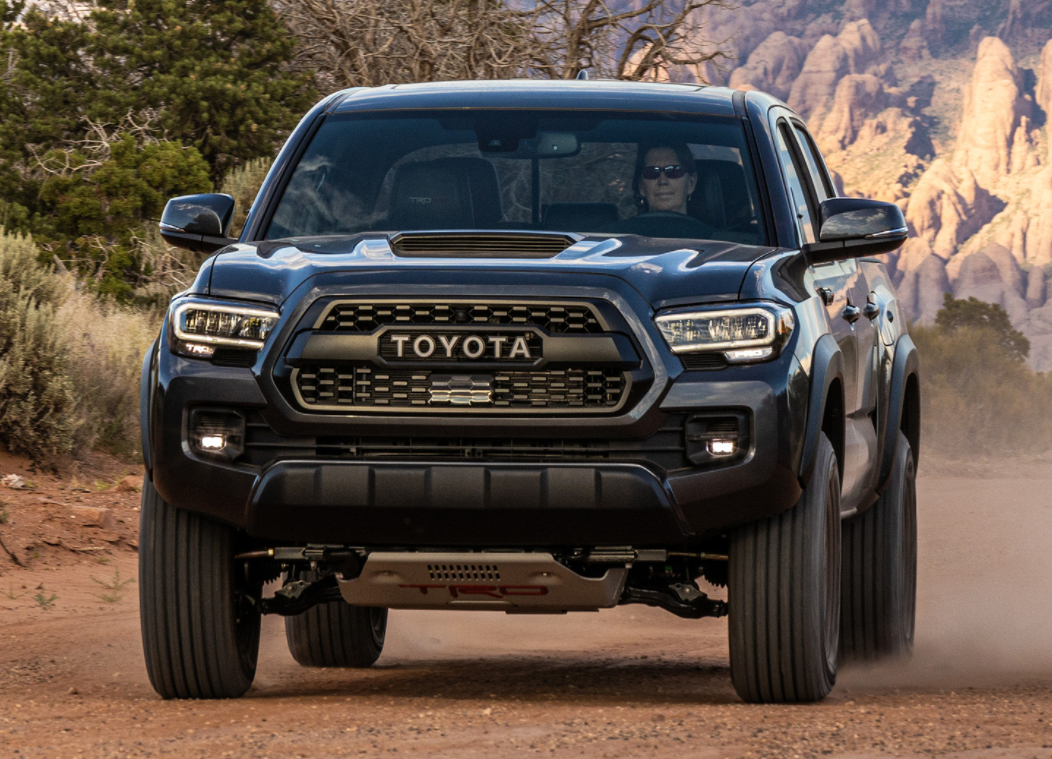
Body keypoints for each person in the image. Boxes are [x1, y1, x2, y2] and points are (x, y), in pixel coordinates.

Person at [634, 144, 698, 215]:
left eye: (673, 171)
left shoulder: (701, 226)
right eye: (652, 172)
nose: (662, 181)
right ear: (641, 186)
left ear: (691, 183)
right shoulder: (626, 226)